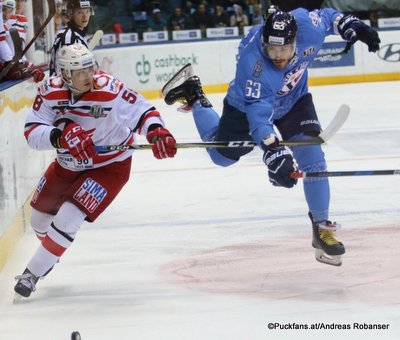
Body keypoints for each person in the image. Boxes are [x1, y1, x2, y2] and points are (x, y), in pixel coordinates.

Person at [163, 7, 380, 266]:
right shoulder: (253, 64)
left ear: (296, 41)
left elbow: (328, 17)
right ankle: (195, 96)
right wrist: (273, 152)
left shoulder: (307, 27)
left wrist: (351, 25)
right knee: (221, 157)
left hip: (294, 100)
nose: (278, 57)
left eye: (284, 50)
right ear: (264, 43)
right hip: (246, 106)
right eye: (272, 50)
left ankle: (321, 227)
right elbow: (259, 118)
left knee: (313, 159)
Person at [14, 43, 177, 298]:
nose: (88, 75)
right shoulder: (48, 92)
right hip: (68, 164)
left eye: (90, 68)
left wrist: (156, 130)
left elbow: (143, 111)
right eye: (81, 71)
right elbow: (32, 131)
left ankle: (31, 274)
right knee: (38, 219)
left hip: (110, 166)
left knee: (70, 214)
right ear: (65, 75)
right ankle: (49, 255)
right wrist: (60, 136)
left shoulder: (109, 89)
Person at [49, 0, 94, 76]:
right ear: (71, 14)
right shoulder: (69, 37)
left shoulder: (77, 35)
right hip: (65, 86)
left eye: (87, 11)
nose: (85, 16)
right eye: (80, 12)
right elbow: (63, 72)